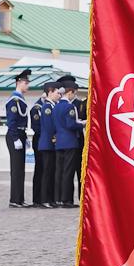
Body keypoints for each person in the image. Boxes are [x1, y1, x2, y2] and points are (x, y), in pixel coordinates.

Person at [52, 76, 84, 207]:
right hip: (70, 142)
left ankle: (58, 198)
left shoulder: (56, 106)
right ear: (69, 92)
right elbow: (71, 124)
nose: (74, 96)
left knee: (59, 171)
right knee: (68, 171)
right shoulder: (69, 107)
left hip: (59, 141)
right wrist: (82, 124)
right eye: (73, 93)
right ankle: (67, 199)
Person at [5, 69, 32, 208]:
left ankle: (20, 199)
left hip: (20, 134)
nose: (28, 85)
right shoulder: (14, 100)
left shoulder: (21, 99)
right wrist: (16, 138)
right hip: (14, 135)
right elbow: (11, 122)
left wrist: (24, 137)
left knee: (21, 169)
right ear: (19, 83)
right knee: (16, 169)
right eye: (26, 83)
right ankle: (14, 200)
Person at [31, 82, 57, 208]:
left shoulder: (51, 106)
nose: (59, 95)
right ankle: (43, 199)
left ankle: (48, 198)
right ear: (50, 92)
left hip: (49, 142)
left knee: (49, 171)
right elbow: (47, 126)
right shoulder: (45, 107)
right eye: (57, 92)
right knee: (45, 171)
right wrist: (54, 137)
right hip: (46, 142)